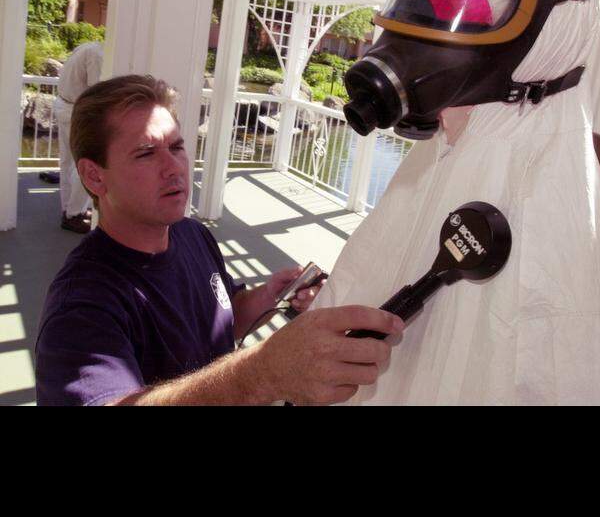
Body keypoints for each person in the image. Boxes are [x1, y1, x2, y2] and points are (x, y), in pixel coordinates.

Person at [312, 0, 600, 404]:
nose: (419, 31)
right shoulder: (450, 158)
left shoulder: (546, 261)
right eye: (423, 5)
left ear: (553, 31)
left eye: (457, 9)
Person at [34, 75, 403, 405]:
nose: (174, 167)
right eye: (146, 153)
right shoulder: (83, 303)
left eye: (176, 147)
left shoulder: (192, 235)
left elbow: (219, 322)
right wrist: (264, 373)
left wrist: (269, 296)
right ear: (95, 177)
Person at [53, 40, 103, 234]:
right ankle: (74, 214)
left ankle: (68, 209)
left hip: (64, 105)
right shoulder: (97, 54)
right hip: (76, 111)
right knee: (84, 163)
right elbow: (96, 89)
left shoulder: (87, 47)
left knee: (67, 163)